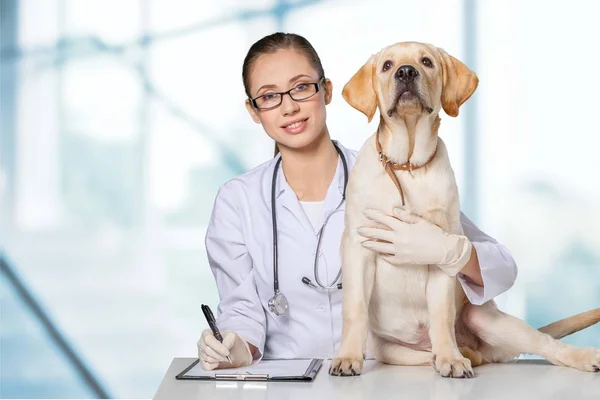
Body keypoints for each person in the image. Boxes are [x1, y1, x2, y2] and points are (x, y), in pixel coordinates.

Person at [197, 32, 518, 371]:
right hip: (286, 382)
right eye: (269, 96)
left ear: (328, 91)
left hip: (386, 376)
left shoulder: (394, 172)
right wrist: (232, 346)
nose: (289, 106)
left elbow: (502, 267)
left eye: (302, 87)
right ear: (253, 110)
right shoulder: (237, 200)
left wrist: (453, 252)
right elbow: (242, 312)